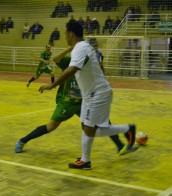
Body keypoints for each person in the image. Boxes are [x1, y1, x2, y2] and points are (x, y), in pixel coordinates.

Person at [39, 21, 138, 169]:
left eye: (66, 34)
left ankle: (127, 130)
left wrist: (52, 85)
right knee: (86, 128)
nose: (65, 37)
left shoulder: (80, 48)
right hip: (90, 94)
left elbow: (71, 69)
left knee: (91, 130)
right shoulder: (83, 47)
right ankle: (86, 160)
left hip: (97, 94)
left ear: (71, 34)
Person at [16, 47, 127, 155]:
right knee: (50, 127)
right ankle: (22, 140)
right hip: (67, 102)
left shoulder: (92, 69)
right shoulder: (71, 62)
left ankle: (120, 146)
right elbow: (56, 59)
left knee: (103, 120)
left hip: (82, 103)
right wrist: (70, 48)